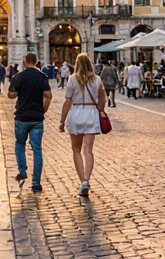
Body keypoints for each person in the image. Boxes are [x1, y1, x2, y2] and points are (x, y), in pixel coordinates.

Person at [57, 53, 104, 198]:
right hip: (91, 113)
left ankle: (82, 180)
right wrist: (99, 111)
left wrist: (62, 120)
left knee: (76, 150)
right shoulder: (97, 79)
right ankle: (87, 179)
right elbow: (102, 103)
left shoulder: (72, 79)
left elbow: (67, 101)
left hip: (76, 112)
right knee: (88, 150)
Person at [8, 52, 52, 193]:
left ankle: (22, 171)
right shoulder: (42, 76)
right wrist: (43, 110)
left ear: (25, 61)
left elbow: (11, 95)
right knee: (37, 149)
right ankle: (36, 183)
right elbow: (48, 96)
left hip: (22, 117)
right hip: (37, 118)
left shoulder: (19, 76)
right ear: (36, 61)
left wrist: (19, 91)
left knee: (20, 144)